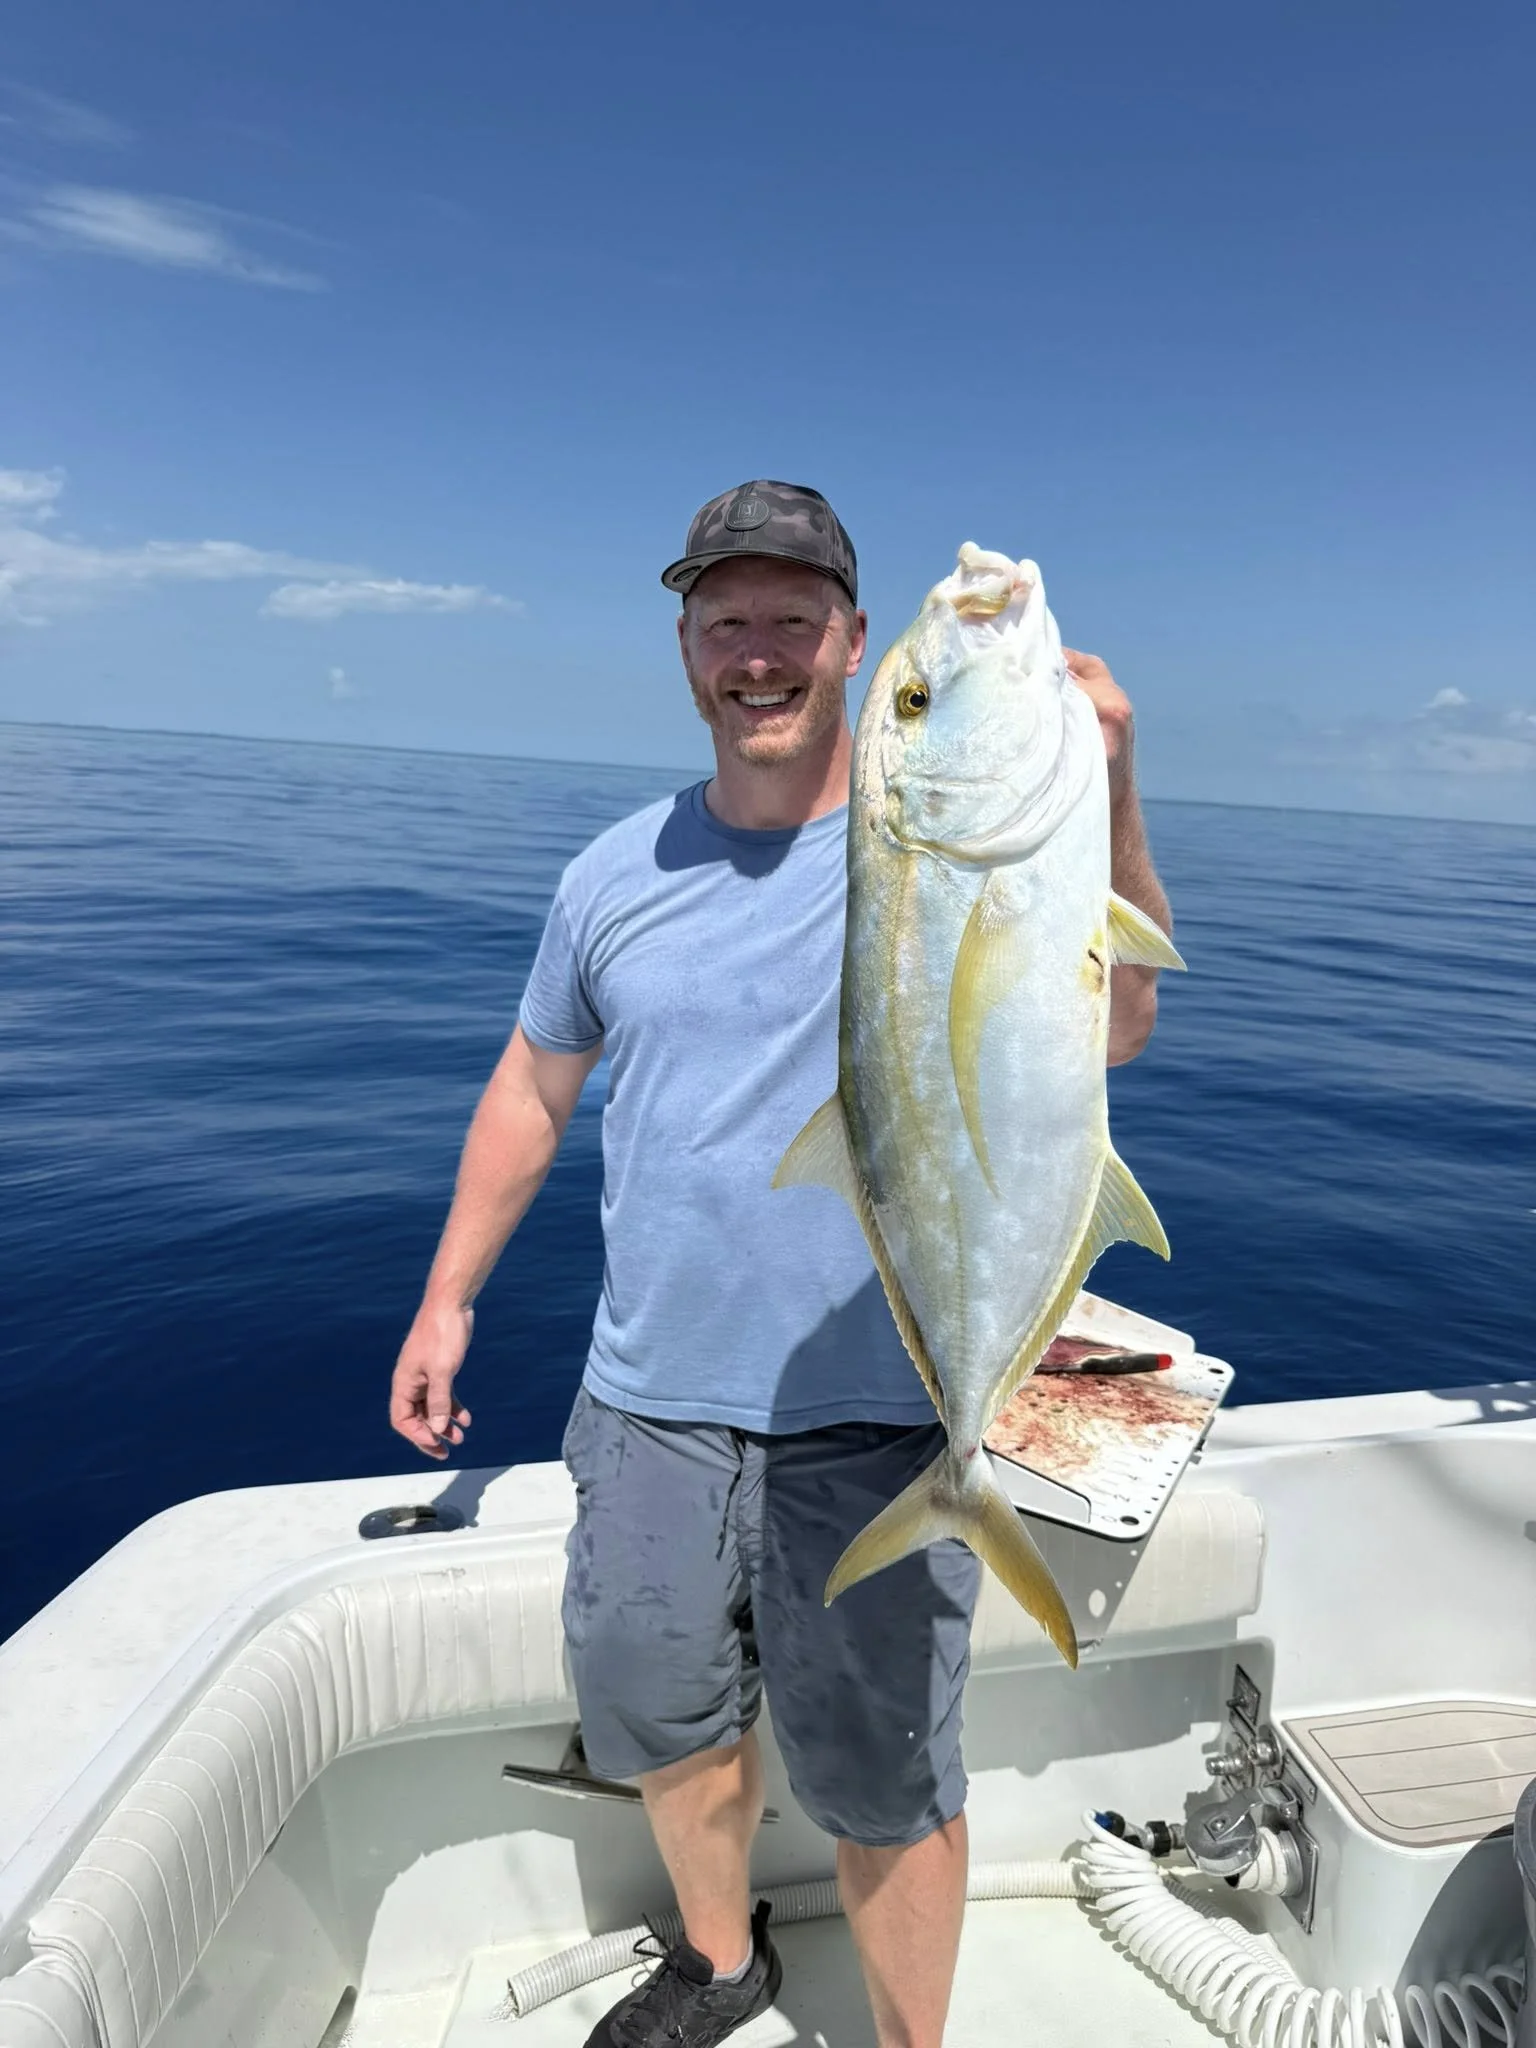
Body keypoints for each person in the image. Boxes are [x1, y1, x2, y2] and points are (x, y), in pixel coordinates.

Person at [389, 481, 1174, 2048]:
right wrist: (447, 1296)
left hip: (884, 1408)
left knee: (888, 1771)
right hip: (651, 1403)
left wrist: (1111, 777)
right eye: (725, 619)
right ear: (685, 644)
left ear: (854, 645)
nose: (759, 653)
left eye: (792, 621)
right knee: (657, 1713)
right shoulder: (610, 874)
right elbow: (532, 1091)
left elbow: (1114, 1021)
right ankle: (718, 1957)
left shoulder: (937, 837)